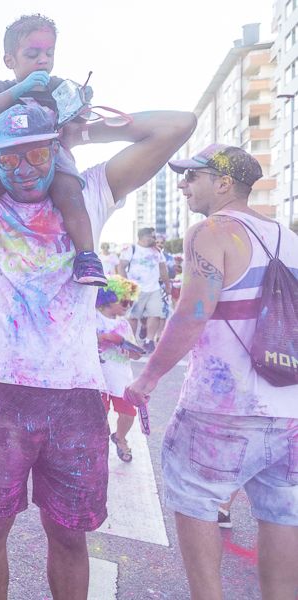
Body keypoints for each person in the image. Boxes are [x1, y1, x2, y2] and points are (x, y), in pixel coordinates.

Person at [0, 103, 195, 599]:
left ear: (54, 151)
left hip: (74, 398)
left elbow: (178, 125)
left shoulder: (91, 190)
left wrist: (78, 132)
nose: (23, 170)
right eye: (9, 161)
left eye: (35, 154)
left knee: (69, 534)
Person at [125, 145, 298, 600]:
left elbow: (191, 314)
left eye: (191, 176)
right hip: (290, 410)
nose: (183, 184)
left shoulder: (212, 231)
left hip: (222, 409)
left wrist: (147, 379)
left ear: (223, 183)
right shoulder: (291, 238)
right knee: (282, 515)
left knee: (198, 502)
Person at [0, 14, 106, 286]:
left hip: (50, 158)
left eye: (49, 53)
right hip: (6, 159)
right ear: (10, 61)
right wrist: (21, 88)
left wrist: (83, 106)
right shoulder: (4, 88)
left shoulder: (58, 86)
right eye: (33, 54)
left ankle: (87, 257)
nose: (43, 60)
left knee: (70, 193)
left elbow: (77, 120)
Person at [95, 275, 141, 462]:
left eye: (131, 301)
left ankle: (120, 437)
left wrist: (128, 347)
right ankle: (96, 446)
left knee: (128, 414)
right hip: (98, 378)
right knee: (99, 415)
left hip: (121, 377)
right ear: (109, 297)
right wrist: (104, 337)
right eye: (124, 300)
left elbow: (136, 353)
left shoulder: (124, 324)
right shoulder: (93, 317)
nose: (128, 304)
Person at [117, 227, 171, 353]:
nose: (154, 239)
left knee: (155, 314)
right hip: (135, 289)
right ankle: (131, 341)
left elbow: (163, 269)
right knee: (133, 316)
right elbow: (121, 267)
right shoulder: (131, 249)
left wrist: (167, 285)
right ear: (142, 237)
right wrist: (126, 285)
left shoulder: (157, 251)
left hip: (154, 288)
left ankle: (149, 341)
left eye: (154, 236)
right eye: (151, 236)